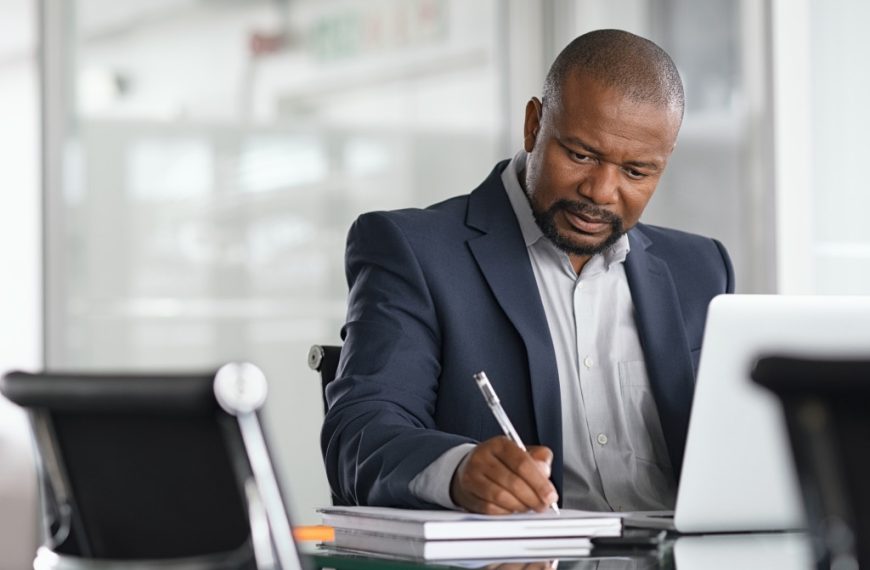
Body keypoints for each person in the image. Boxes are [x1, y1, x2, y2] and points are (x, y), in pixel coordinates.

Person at [321, 29, 734, 514]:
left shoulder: (702, 269)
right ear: (534, 125)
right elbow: (362, 430)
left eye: (637, 171)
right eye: (581, 155)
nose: (601, 191)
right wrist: (457, 471)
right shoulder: (415, 251)